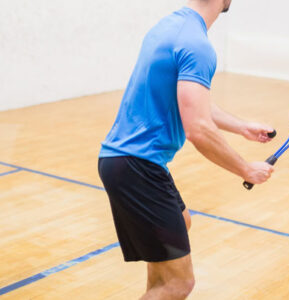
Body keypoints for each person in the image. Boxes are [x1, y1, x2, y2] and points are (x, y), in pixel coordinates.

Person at [98, 0, 274, 298]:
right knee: (179, 283)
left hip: (123, 162)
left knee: (181, 223)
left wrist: (242, 126)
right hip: (138, 167)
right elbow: (198, 129)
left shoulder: (168, 27)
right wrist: (245, 169)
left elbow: (189, 100)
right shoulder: (197, 45)